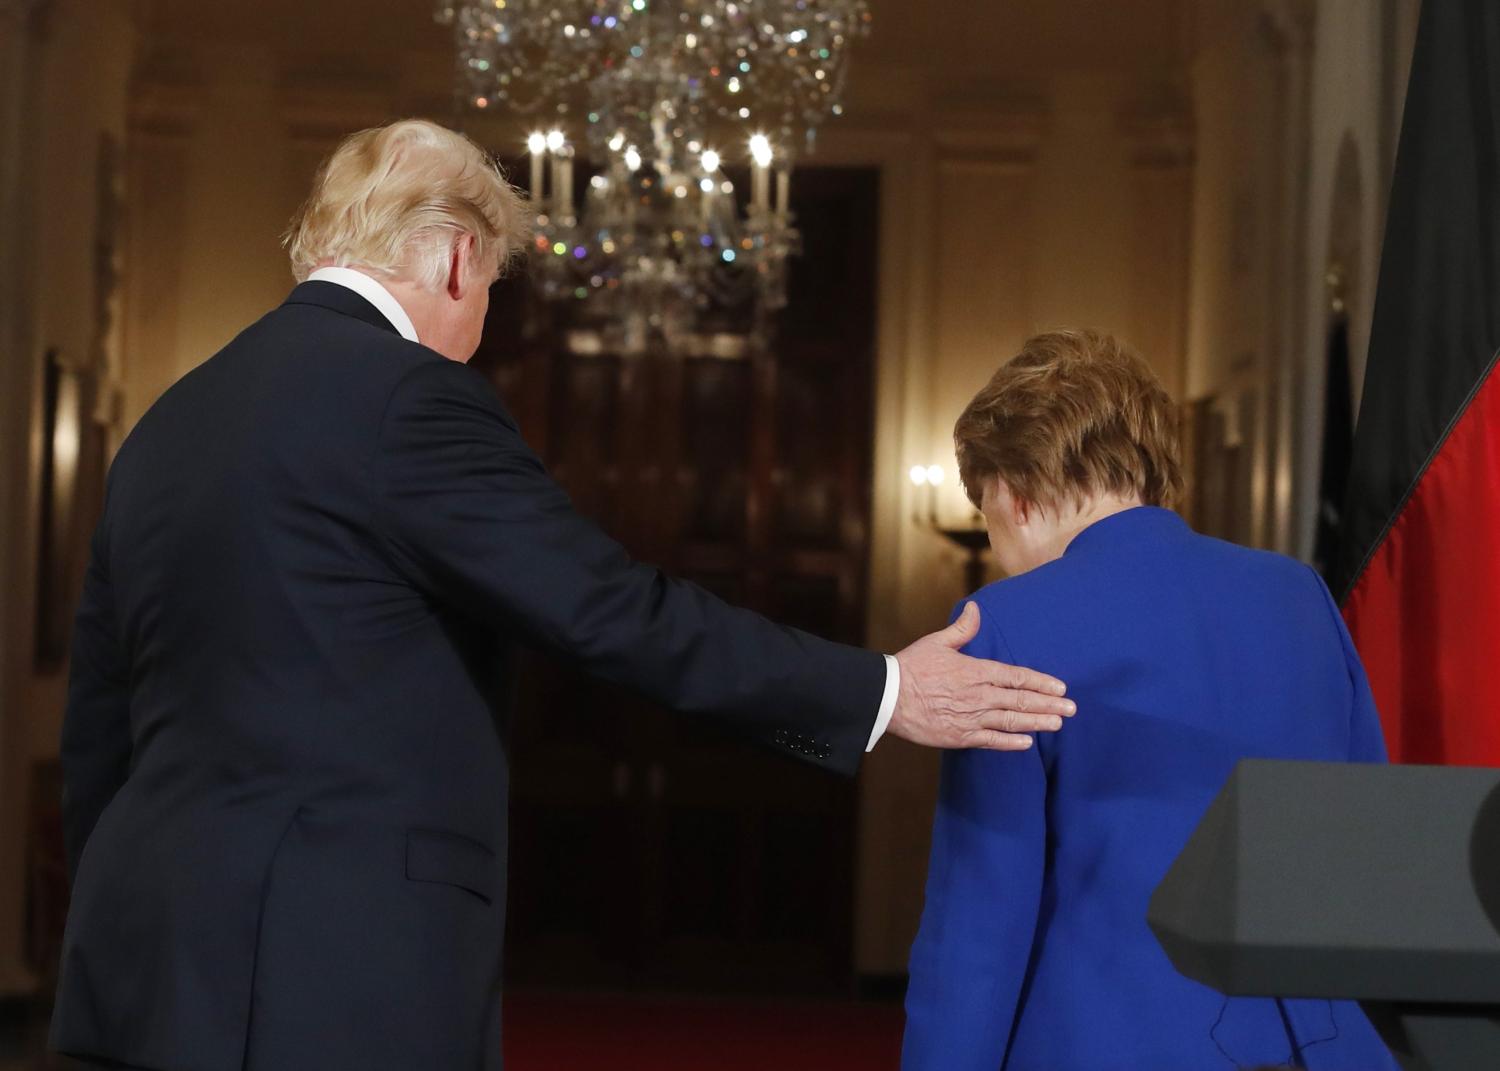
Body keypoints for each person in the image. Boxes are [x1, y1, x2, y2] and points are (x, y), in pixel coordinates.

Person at [50, 119, 1075, 1071]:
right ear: (457, 256)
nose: (487, 317)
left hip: (139, 954)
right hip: (327, 968)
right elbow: (611, 611)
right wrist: (883, 695)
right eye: (494, 285)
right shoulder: (409, 398)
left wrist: (114, 911)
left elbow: (104, 714)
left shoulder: (169, 421)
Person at [901, 330, 1397, 1070]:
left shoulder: (1002, 626)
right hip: (1318, 1049)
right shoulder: (1301, 596)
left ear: (1012, 493)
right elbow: (1367, 846)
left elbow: (978, 930)